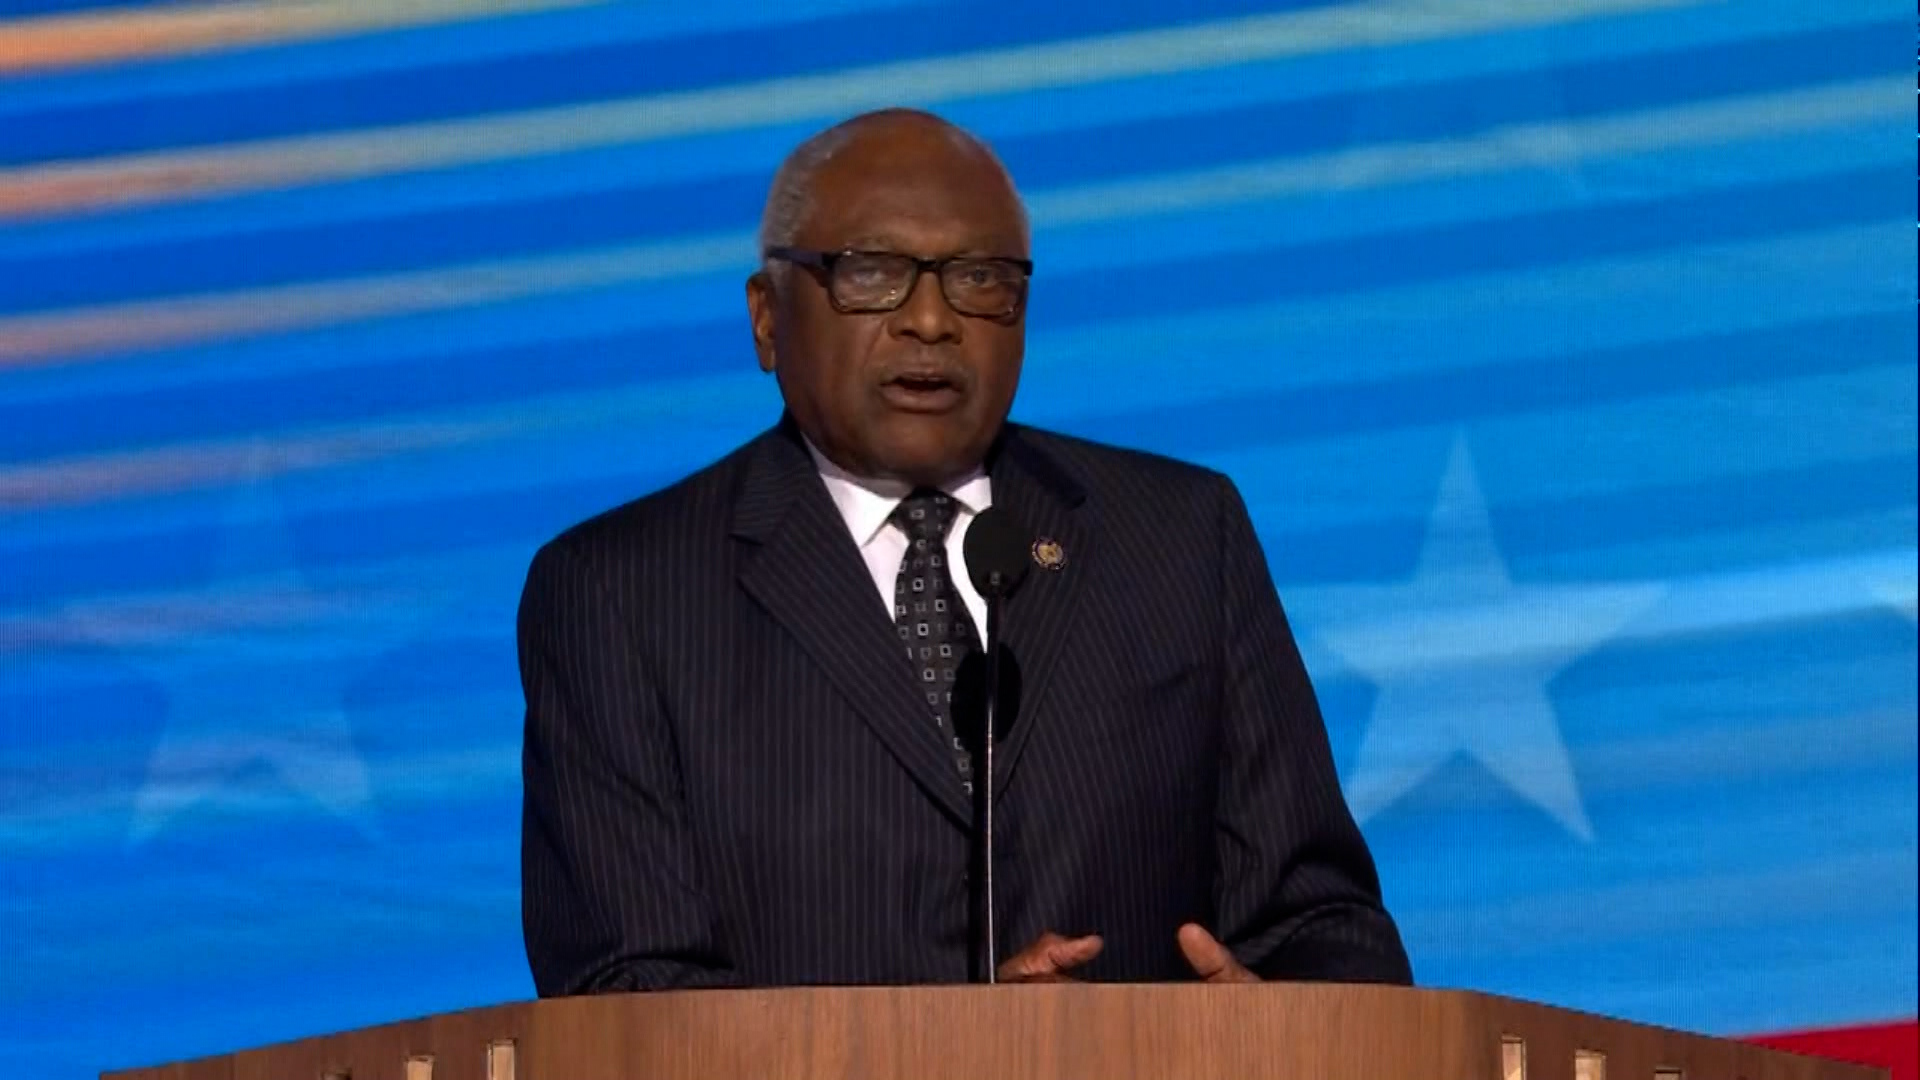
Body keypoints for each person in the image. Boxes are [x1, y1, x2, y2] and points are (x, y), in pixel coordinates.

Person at [516, 108, 1412, 993]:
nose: (933, 322)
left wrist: (1272, 1023)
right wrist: (959, 1050)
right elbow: (629, 995)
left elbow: (1325, 927)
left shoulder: (1179, 537)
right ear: (766, 318)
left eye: (979, 279)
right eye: (873, 275)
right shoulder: (622, 593)